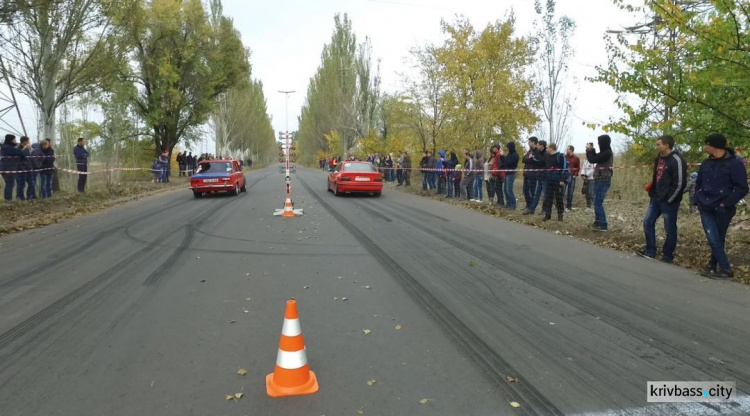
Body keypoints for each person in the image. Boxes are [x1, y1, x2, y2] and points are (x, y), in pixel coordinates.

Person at [694, 134, 748, 279]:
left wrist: (726, 202)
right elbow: (698, 183)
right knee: (713, 238)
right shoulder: (706, 163)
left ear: (715, 146)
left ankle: (713, 267)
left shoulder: (734, 164)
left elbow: (742, 188)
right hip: (705, 206)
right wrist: (697, 199)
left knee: (718, 239)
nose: (705, 147)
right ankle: (725, 268)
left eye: (707, 144)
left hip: (723, 208)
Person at [635, 135, 687, 263]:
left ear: (666, 145)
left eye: (658, 144)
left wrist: (670, 199)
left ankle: (668, 255)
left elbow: (680, 183)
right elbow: (656, 176)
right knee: (648, 222)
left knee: (670, 228)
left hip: (669, 201)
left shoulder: (677, 160)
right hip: (656, 197)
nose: (656, 146)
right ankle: (650, 250)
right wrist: (652, 192)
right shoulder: (659, 158)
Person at [586, 135, 614, 231]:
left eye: (600, 142)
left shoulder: (607, 153)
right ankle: (598, 222)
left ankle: (603, 224)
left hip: (603, 179)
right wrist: (591, 151)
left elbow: (592, 159)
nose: (599, 144)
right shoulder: (605, 152)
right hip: (599, 179)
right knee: (596, 202)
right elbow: (595, 157)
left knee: (598, 202)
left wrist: (589, 151)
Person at [541, 143, 568, 221]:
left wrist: (563, 180)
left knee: (559, 199)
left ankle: (560, 215)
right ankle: (547, 214)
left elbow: (565, 169)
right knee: (548, 198)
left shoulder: (560, 156)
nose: (546, 149)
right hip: (549, 180)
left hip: (558, 181)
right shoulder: (547, 157)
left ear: (551, 148)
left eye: (548, 148)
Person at [523, 140, 547, 215]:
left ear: (542, 146)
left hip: (544, 175)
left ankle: (544, 210)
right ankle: (531, 209)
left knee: (545, 194)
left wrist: (532, 159)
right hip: (539, 175)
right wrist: (532, 159)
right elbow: (524, 159)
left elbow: (541, 163)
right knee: (536, 193)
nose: (537, 146)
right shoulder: (537, 152)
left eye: (538, 145)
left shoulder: (546, 153)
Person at [1, 134, 25, 203]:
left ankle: (8, 199)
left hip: (5, 167)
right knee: (10, 183)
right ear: (11, 140)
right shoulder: (8, 148)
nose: (16, 141)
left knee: (9, 183)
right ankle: (8, 199)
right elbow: (20, 153)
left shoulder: (5, 147)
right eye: (14, 139)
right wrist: (24, 148)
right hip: (9, 168)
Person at [521, 137, 539, 211]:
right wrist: (529, 159)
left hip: (533, 174)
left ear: (533, 142)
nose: (528, 143)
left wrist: (529, 159)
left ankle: (532, 207)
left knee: (532, 191)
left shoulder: (537, 152)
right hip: (526, 173)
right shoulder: (529, 151)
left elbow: (534, 161)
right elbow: (523, 159)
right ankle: (528, 205)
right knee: (525, 190)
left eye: (529, 142)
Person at [503, 142, 520, 210]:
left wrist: (503, 157)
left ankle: (513, 204)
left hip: (511, 173)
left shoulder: (515, 155)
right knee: (505, 189)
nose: (507, 148)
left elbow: (508, 163)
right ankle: (508, 203)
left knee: (509, 189)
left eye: (508, 147)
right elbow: (505, 163)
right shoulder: (509, 154)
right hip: (506, 173)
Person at [564, 145, 580, 212]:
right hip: (564, 176)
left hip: (572, 176)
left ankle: (568, 206)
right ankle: (560, 206)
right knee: (562, 191)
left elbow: (578, 168)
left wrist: (575, 175)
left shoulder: (576, 158)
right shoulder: (564, 157)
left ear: (571, 150)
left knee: (570, 192)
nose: (566, 150)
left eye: (567, 149)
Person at [580, 147, 596, 212]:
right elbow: (583, 168)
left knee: (591, 193)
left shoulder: (595, 160)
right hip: (586, 179)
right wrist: (583, 175)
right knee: (586, 193)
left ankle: (593, 206)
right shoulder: (586, 161)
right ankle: (588, 206)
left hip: (592, 179)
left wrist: (587, 175)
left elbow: (594, 169)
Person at [17, 136, 33, 200]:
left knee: (31, 184)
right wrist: (23, 149)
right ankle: (21, 198)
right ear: (24, 142)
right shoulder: (18, 148)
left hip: (28, 168)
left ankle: (29, 197)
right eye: (28, 141)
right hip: (21, 169)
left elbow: (29, 157)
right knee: (21, 185)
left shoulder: (28, 149)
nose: (29, 142)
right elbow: (19, 155)